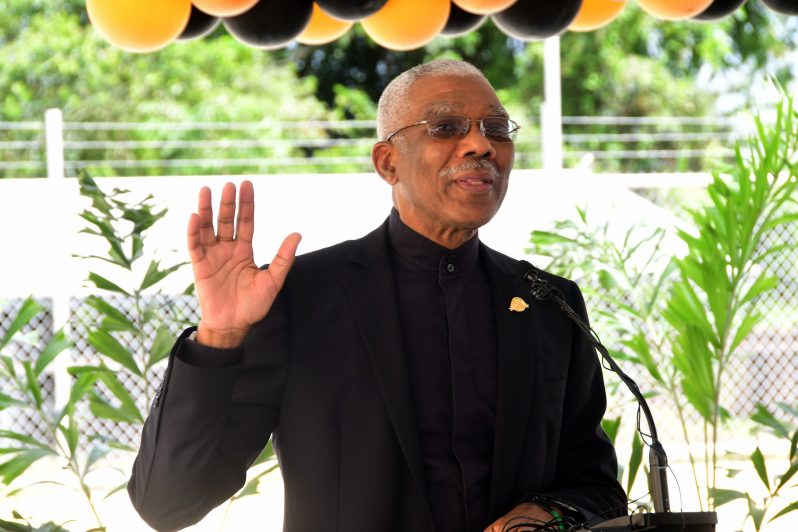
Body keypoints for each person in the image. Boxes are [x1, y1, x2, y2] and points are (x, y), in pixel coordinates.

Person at [128, 59, 627, 532]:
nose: (481, 145)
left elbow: (595, 485)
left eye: (497, 129)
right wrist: (219, 336)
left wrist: (544, 513)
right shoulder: (300, 298)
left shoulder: (548, 304)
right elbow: (167, 502)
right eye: (447, 127)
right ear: (388, 162)